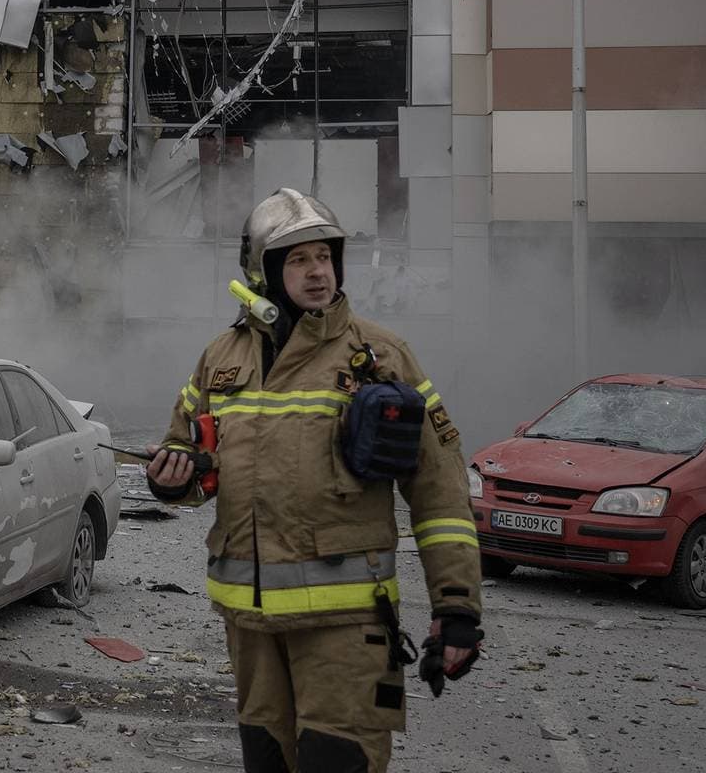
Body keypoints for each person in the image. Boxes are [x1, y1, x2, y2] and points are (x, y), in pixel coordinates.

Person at [146, 188, 482, 773]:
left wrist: (456, 608)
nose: (317, 271)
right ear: (264, 270)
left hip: (346, 626)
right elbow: (190, 457)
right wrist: (172, 480)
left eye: (325, 256)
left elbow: (441, 492)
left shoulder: (381, 357)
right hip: (252, 629)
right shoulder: (221, 358)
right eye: (299, 259)